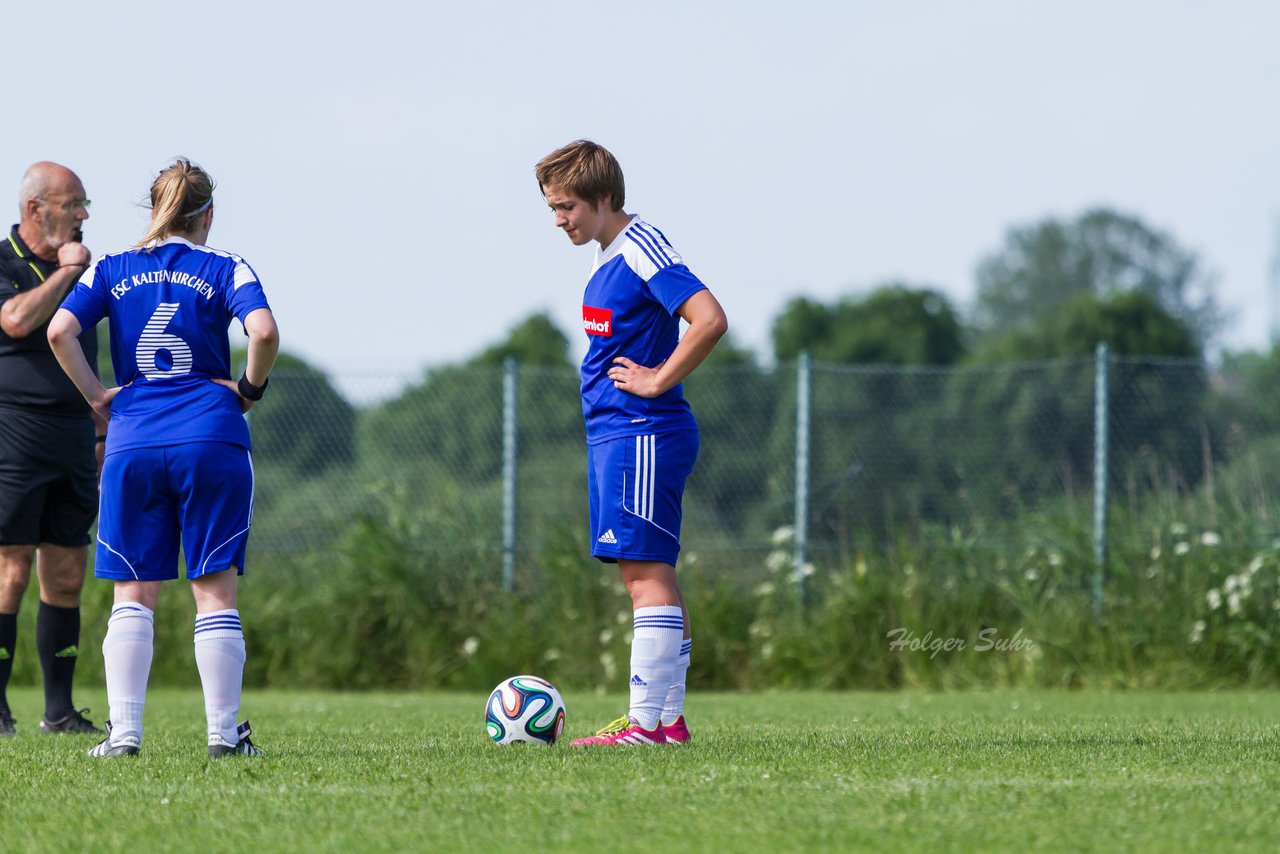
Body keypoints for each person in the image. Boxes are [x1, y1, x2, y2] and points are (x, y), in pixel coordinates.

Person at [47, 159, 279, 758]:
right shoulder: (226, 265)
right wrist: (248, 391)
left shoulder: (111, 268)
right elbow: (264, 332)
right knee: (214, 591)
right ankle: (224, 738)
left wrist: (98, 396)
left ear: (153, 213)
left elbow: (58, 332)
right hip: (212, 436)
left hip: (135, 440)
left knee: (134, 591)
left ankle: (124, 736)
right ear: (206, 214)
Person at [535, 140, 727, 746]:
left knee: (646, 578)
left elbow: (709, 318)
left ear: (604, 197)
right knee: (651, 576)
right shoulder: (605, 255)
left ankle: (645, 725)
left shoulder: (643, 248)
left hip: (644, 432)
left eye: (567, 207)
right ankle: (666, 723)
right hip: (617, 435)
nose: (560, 220)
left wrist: (658, 378)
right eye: (553, 209)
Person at [0, 162, 105, 738]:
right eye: (74, 204)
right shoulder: (7, 261)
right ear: (37, 209)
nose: (84, 215)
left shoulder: (85, 270)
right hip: (13, 434)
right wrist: (64, 276)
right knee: (9, 571)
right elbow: (16, 321)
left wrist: (98, 430)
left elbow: (86, 356)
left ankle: (60, 712)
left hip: (71, 437)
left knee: (65, 573)